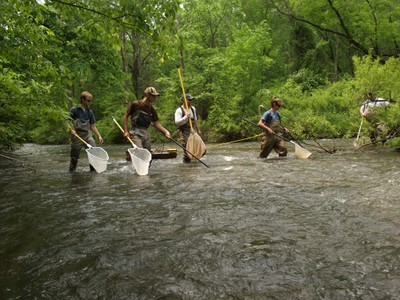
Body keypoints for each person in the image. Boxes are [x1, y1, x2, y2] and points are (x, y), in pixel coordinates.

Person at [122, 87, 171, 151]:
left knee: (148, 154)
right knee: (139, 151)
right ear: (147, 95)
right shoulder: (135, 104)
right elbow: (125, 116)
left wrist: (166, 132)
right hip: (135, 132)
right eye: (153, 96)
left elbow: (156, 123)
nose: (155, 98)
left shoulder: (152, 109)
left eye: (155, 96)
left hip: (145, 133)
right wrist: (126, 131)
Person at [69, 91, 103, 172]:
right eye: (88, 100)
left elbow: (92, 126)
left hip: (87, 135)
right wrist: (71, 129)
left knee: (94, 153)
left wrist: (99, 136)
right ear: (82, 100)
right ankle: (72, 173)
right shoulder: (74, 110)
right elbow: (67, 121)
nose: (90, 102)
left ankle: (93, 171)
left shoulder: (89, 112)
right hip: (77, 136)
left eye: (91, 100)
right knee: (74, 157)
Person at [174, 93, 202, 162]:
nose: (190, 101)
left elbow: (195, 120)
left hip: (193, 129)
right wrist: (186, 117)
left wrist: (198, 130)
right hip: (184, 131)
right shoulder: (179, 110)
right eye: (189, 100)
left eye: (191, 100)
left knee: (195, 146)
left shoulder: (193, 109)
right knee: (187, 148)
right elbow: (177, 122)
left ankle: (193, 164)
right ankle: (186, 165)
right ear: (183, 100)